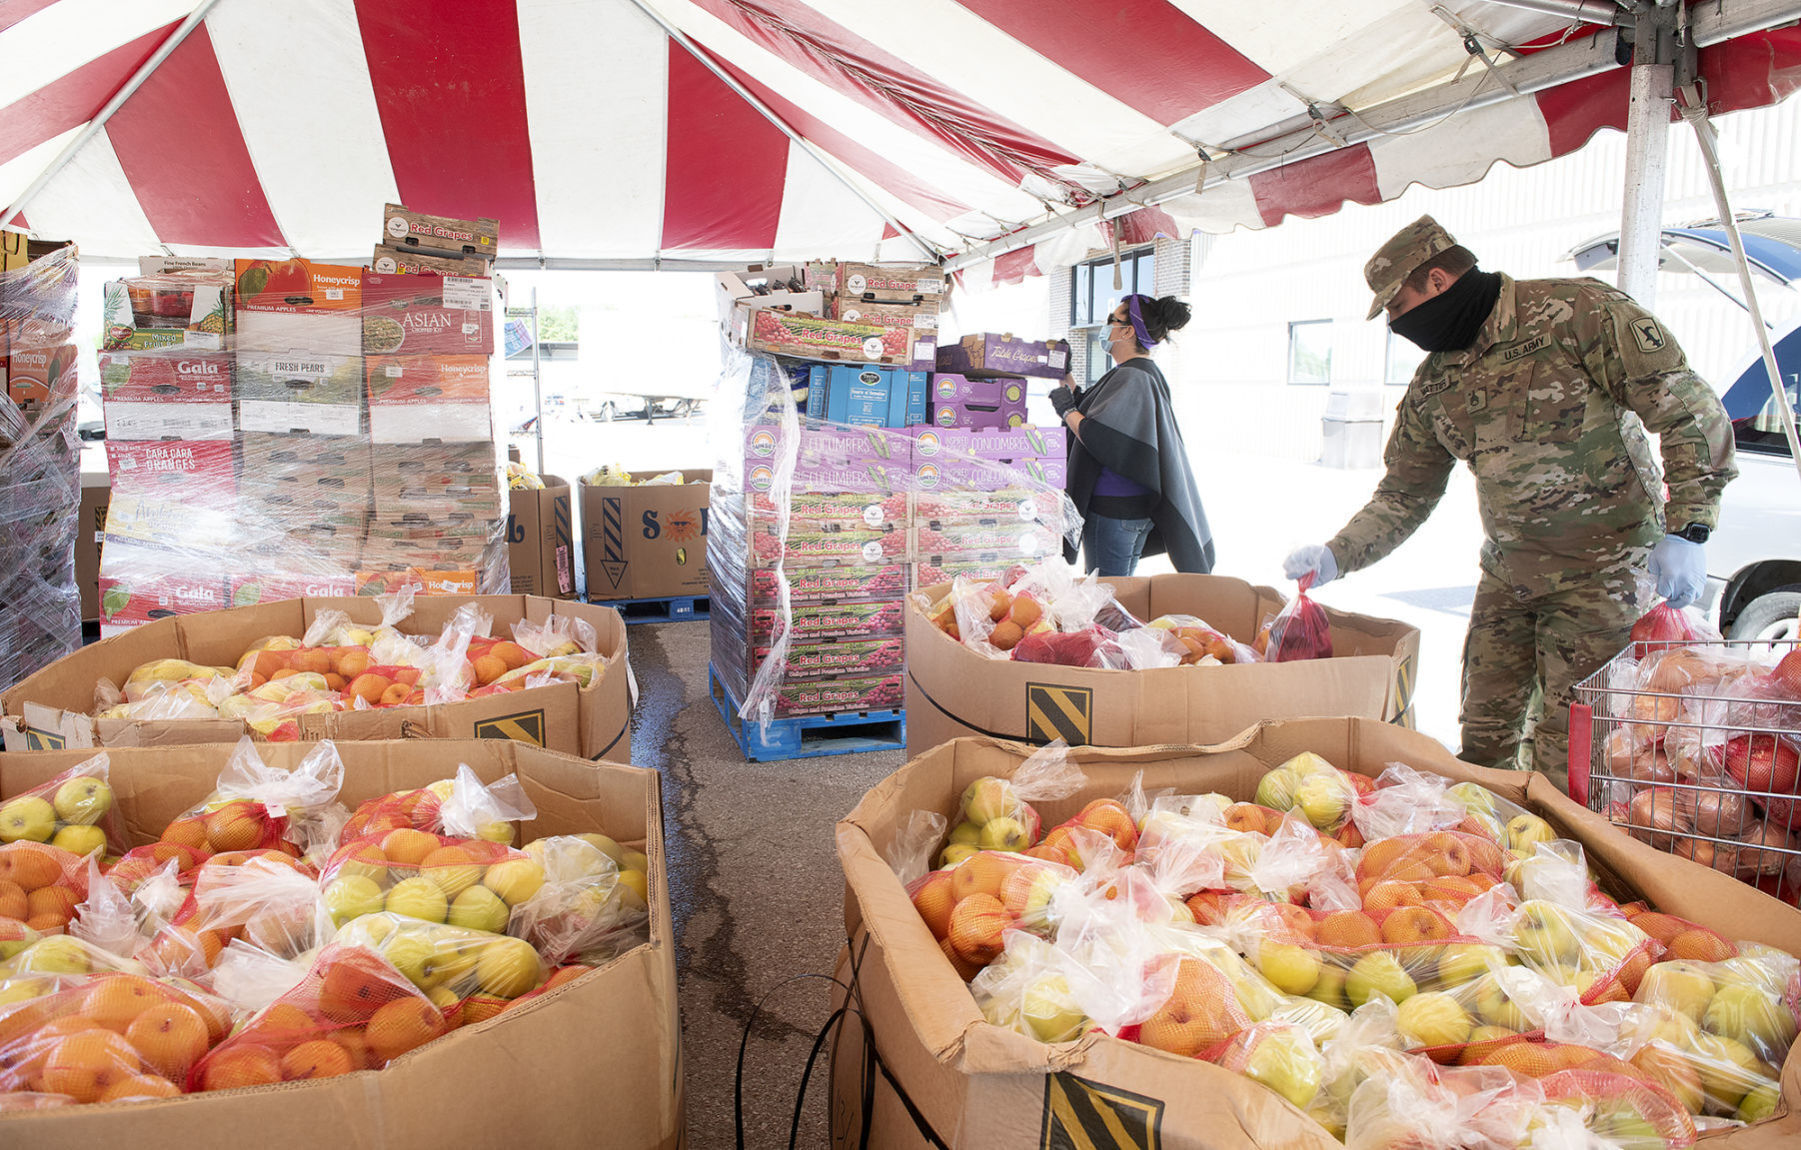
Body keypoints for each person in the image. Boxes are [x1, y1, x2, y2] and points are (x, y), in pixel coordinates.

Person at [1285, 216, 1737, 786]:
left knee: (1573, 752)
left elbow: (1686, 408)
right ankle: (1489, 863)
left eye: (1397, 306)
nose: (1396, 324)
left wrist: (1690, 526)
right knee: (1483, 740)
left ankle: (1571, 862)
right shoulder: (1434, 384)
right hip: (1508, 579)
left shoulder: (1576, 314)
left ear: (1438, 280)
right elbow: (1404, 494)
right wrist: (1337, 555)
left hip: (1602, 577)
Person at [1048, 293, 1214, 576]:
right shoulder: (1139, 373)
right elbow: (1092, 410)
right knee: (1119, 593)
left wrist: (1066, 410)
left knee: (1106, 599)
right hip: (1132, 513)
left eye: (1111, 320)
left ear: (1127, 331)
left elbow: (1100, 436)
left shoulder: (1132, 377)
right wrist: (1066, 375)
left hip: (1115, 512)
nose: (1105, 327)